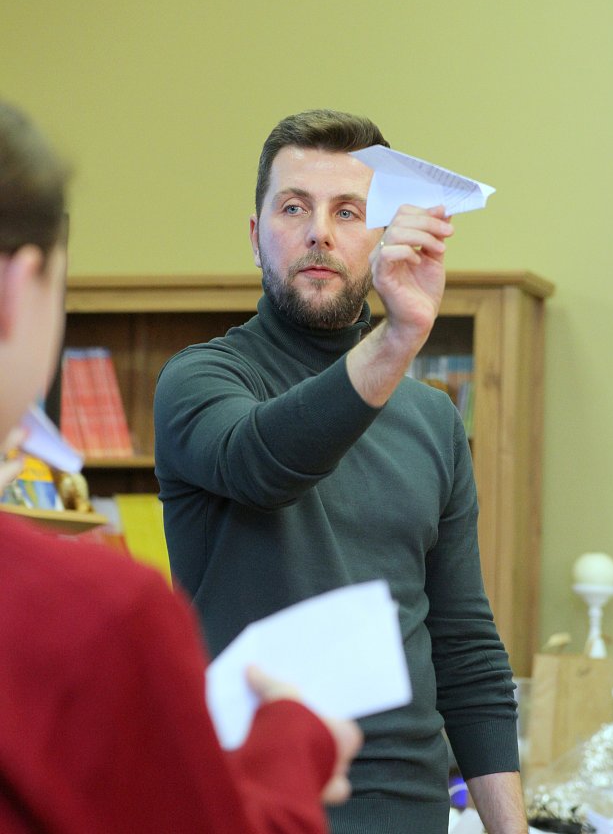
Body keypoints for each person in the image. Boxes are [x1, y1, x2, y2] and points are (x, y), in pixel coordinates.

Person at [154, 108, 529, 834]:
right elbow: (264, 463)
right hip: (249, 803)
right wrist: (397, 340)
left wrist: (510, 828)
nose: (319, 232)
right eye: (293, 207)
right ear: (256, 235)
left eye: (347, 211)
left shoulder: (432, 421)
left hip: (409, 805)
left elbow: (464, 646)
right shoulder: (201, 380)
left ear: (381, 234)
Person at [0, 99, 361, 834]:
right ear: (17, 288)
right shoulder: (95, 617)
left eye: (347, 211)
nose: (319, 232)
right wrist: (296, 741)